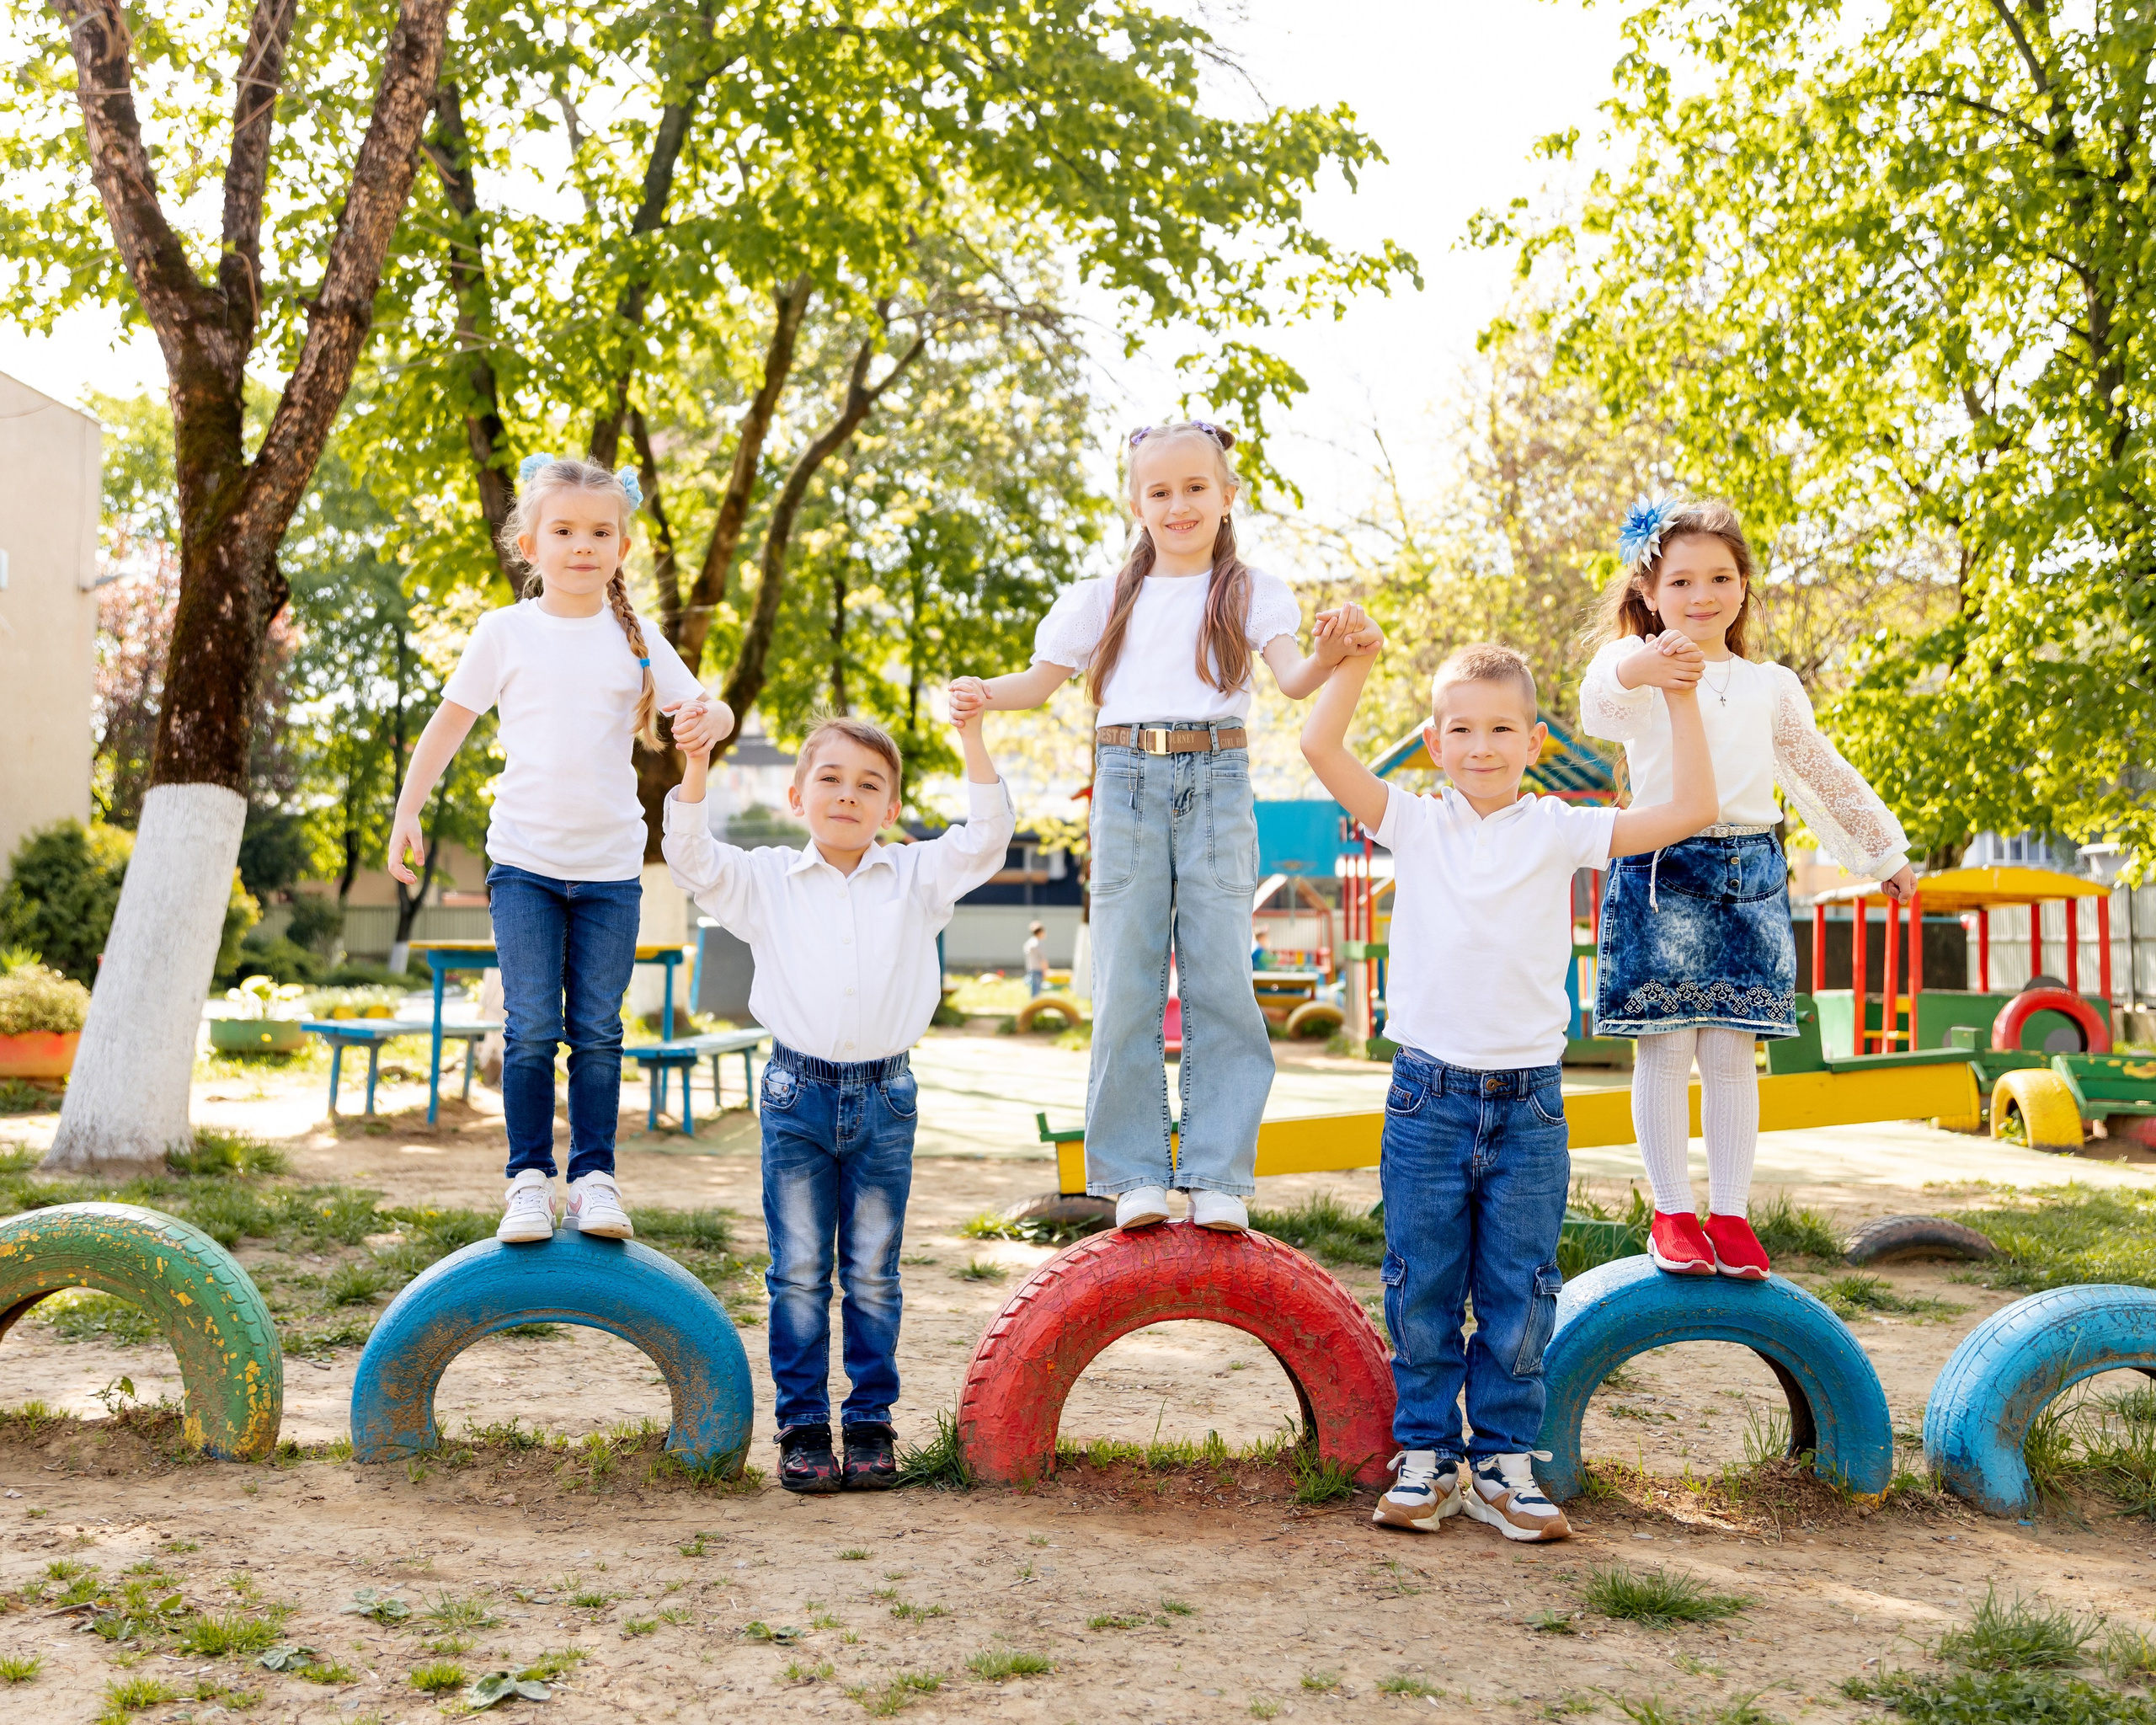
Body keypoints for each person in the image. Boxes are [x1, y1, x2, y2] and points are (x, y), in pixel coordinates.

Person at [1301, 632, 1719, 1542]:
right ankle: (1425, 1454)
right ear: (1432, 741)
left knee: (1520, 1289)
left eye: (1500, 728)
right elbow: (1319, 748)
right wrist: (1360, 660)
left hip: (1528, 1102)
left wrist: (1679, 692)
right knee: (1419, 1285)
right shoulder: (1413, 819)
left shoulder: (1560, 827)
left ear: (1534, 741)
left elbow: (1691, 806)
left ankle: (1502, 1462)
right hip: (1426, 1097)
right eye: (1461, 729)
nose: (1480, 746)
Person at [947, 421, 1362, 1233]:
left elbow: (1293, 680)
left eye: (1196, 488)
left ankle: (1218, 1176)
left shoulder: (1250, 591)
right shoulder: (1102, 598)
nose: (1179, 505)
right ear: (1135, 502)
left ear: (1228, 496)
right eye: (1161, 491)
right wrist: (983, 692)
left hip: (1217, 777)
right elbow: (1040, 682)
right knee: (1127, 982)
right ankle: (1133, 1172)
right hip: (1127, 778)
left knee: (1219, 982)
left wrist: (1334, 651)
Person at [663, 712, 1013, 1493]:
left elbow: (988, 836)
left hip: (886, 1097)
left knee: (873, 1271)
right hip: (797, 1095)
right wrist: (696, 760)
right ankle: (802, 1425)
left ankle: (869, 1422)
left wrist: (973, 736)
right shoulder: (763, 882)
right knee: (797, 1272)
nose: (847, 796)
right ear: (796, 795)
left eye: (869, 786)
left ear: (891, 809)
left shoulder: (918, 877)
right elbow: (687, 854)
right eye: (829, 779)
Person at [389, 456, 729, 1245]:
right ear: (530, 544)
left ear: (623, 545)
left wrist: (714, 719)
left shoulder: (634, 637)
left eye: (601, 532)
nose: (584, 545)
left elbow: (704, 705)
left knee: (601, 1032)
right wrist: (409, 810)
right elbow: (449, 724)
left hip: (611, 871)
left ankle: (596, 1180)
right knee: (532, 1026)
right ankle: (527, 1182)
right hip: (525, 866)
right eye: (565, 531)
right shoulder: (505, 632)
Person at [1579, 499, 1913, 1280]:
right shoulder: (1636, 670)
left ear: (1744, 587)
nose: (1703, 596)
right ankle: (1670, 1213)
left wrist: (1882, 850)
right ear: (1650, 593)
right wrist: (1646, 662)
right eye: (1683, 581)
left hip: (1750, 875)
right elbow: (1601, 697)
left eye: (1721, 578)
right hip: (1665, 870)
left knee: (1731, 1054)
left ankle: (1728, 1214)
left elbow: (1820, 772)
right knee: (1664, 1051)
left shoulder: (1769, 684)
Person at [1023, 921, 1048, 997]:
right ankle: (1036, 1005)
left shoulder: (1029, 942)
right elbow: (1042, 958)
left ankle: (1033, 1004)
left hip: (1031, 968)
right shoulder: (1039, 943)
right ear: (1040, 932)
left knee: (1033, 987)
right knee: (1037, 989)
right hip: (1038, 968)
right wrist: (1045, 969)